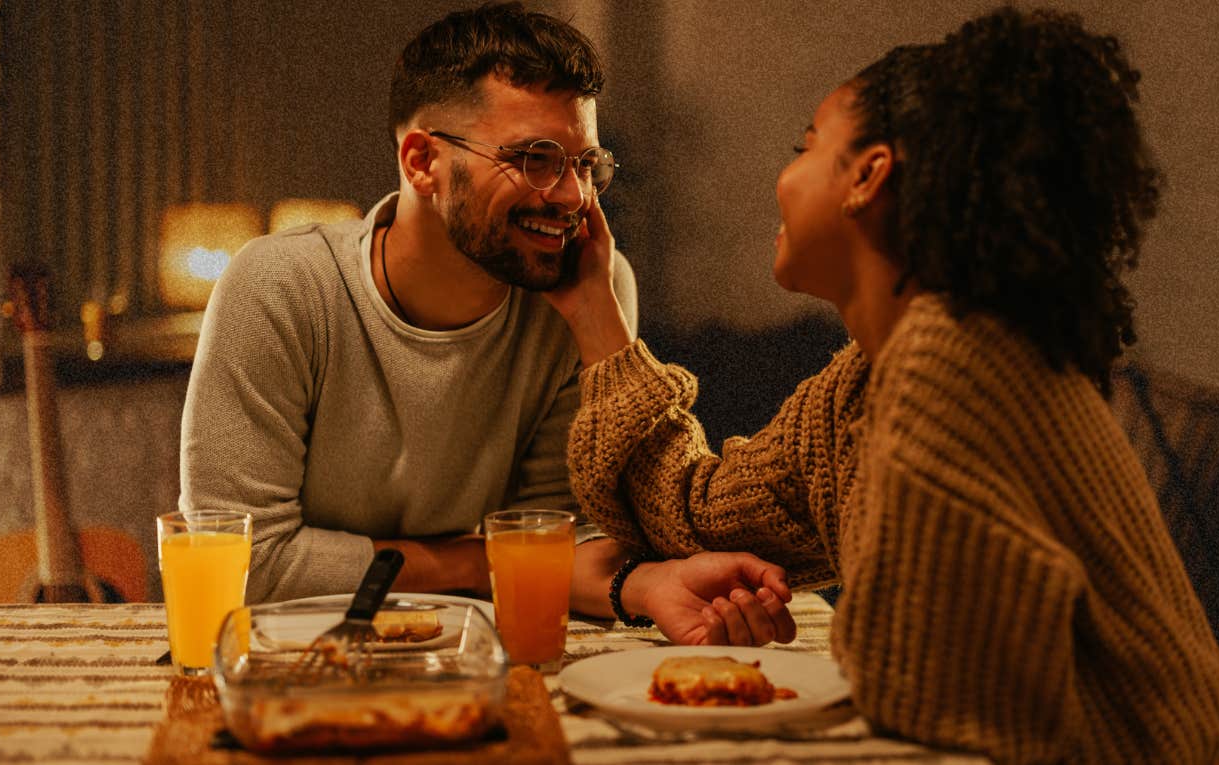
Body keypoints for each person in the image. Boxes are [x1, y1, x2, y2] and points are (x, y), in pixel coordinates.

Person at [546, 7, 1219, 763]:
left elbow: (929, 699)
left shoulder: (951, 362)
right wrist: (596, 306)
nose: (782, 177)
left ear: (868, 176)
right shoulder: (866, 379)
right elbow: (692, 518)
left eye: (806, 147)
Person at [179, 2, 794, 648]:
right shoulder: (280, 289)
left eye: (585, 164)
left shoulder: (591, 290)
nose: (573, 197)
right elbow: (246, 563)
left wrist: (597, 322)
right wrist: (480, 560)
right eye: (535, 158)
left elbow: (560, 545)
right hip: (293, 663)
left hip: (475, 659)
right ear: (422, 162)